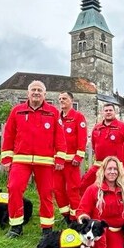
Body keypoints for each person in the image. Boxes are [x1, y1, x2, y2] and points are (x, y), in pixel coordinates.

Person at [0, 80, 67, 238]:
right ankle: (16, 226)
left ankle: (47, 229)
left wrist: (60, 158)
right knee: (14, 189)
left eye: (40, 90)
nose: (36, 92)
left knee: (46, 194)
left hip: (45, 161)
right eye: (33, 90)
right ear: (28, 93)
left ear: (45, 94)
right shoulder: (16, 111)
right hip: (20, 160)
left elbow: (60, 137)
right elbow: (9, 135)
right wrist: (6, 158)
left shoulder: (53, 112)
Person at [79, 103, 124, 195]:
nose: (108, 112)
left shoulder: (123, 127)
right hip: (99, 165)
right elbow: (94, 145)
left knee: (116, 190)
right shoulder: (97, 128)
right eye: (106, 111)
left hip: (116, 167)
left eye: (110, 110)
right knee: (84, 184)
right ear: (102, 112)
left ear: (115, 112)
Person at [53, 91, 88, 224]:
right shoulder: (57, 118)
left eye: (65, 98)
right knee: (57, 189)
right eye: (60, 99)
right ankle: (66, 215)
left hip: (71, 162)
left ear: (71, 101)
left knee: (73, 190)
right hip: (57, 162)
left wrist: (79, 156)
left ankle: (75, 217)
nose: (62, 101)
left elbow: (82, 138)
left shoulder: (78, 117)